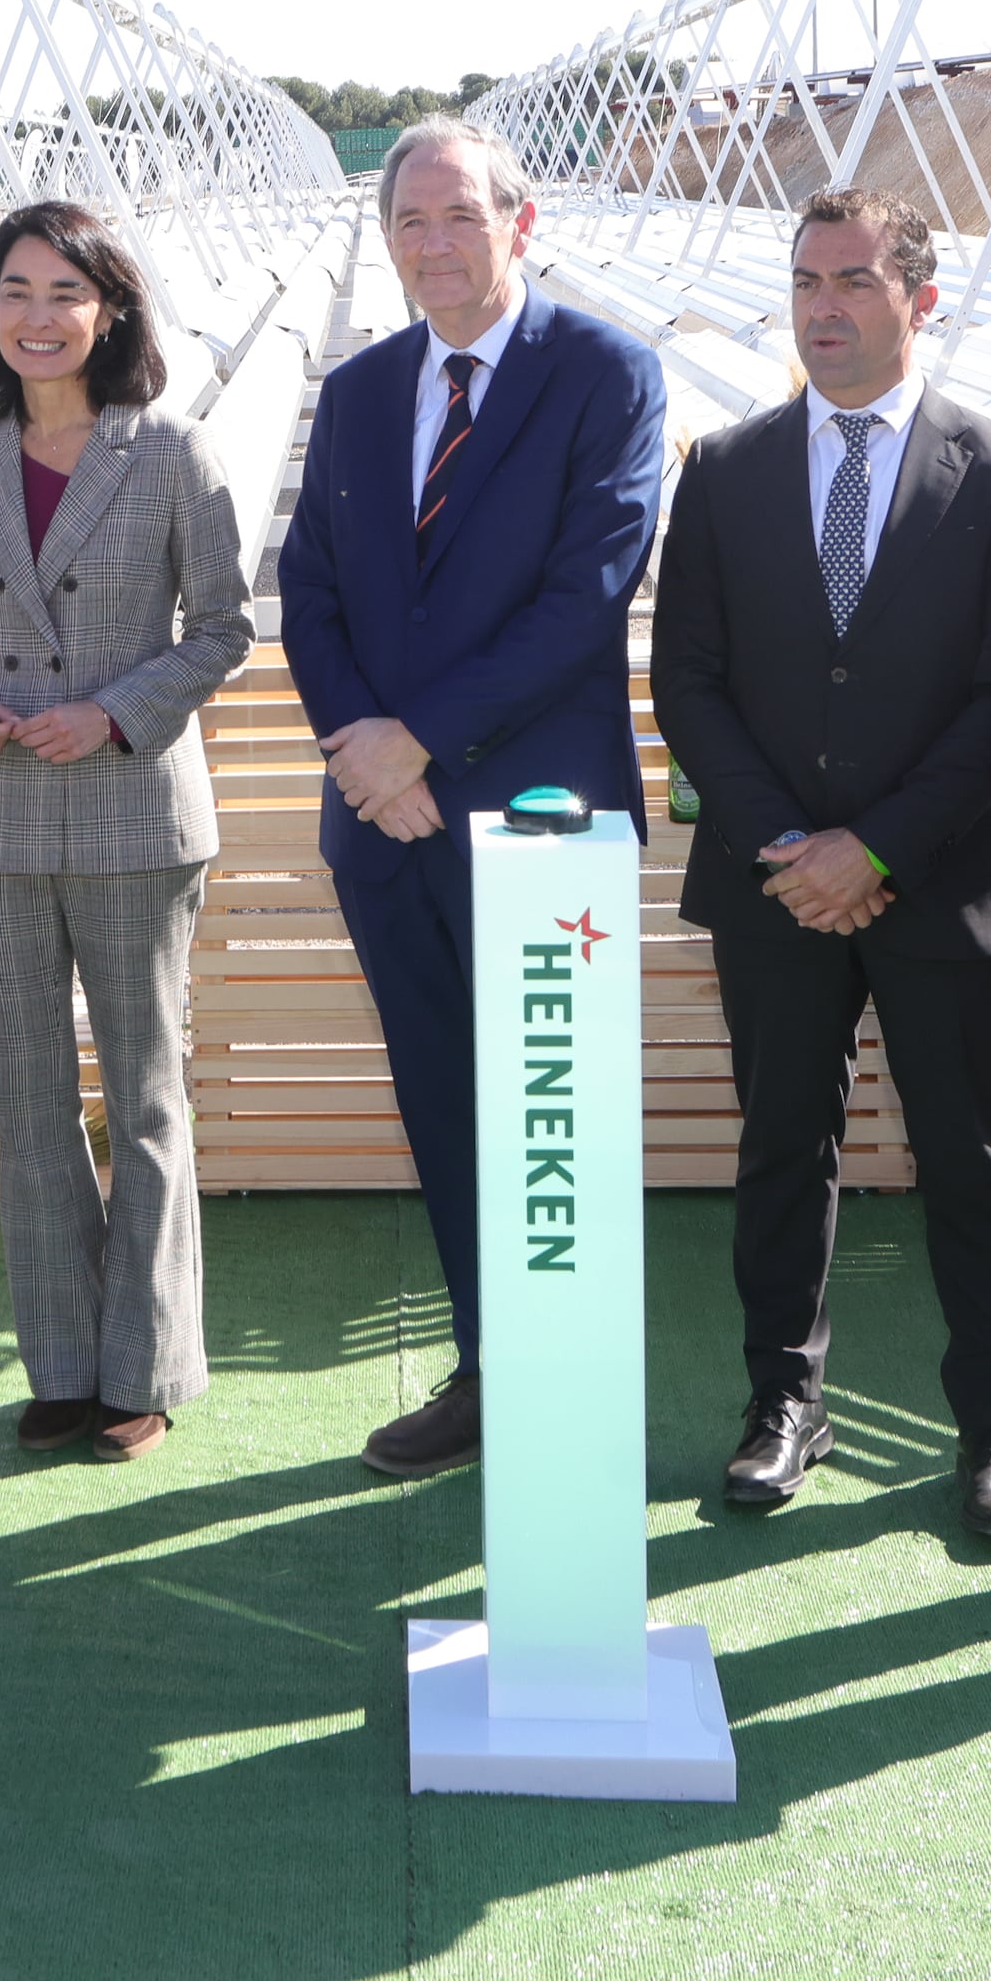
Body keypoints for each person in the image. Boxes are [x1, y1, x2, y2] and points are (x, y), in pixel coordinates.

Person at [646, 188, 991, 1543]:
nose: (824, 306)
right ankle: (783, 1403)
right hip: (771, 886)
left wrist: (872, 846)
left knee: (972, 1159)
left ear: (919, 298)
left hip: (941, 879)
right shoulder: (727, 466)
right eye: (807, 280)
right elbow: (687, 679)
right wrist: (792, 844)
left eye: (856, 280)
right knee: (781, 1148)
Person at [279, 119, 671, 1477]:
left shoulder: (608, 374)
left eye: (459, 216)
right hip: (386, 828)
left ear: (524, 220)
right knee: (446, 1104)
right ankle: (490, 1367)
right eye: (409, 222)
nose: (434, 244)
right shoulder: (362, 387)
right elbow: (311, 587)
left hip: (535, 817)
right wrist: (358, 747)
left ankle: (568, 1396)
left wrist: (417, 745)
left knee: (553, 1123)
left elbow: (586, 594)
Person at [0, 202, 256, 1459]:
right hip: (0, 815)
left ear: (109, 308)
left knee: (145, 1093)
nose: (36, 316)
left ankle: (144, 1365)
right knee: (25, 1098)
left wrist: (111, 715)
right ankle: (59, 1360)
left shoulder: (169, 449)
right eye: (13, 291)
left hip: (132, 811)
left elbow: (222, 627)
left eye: (63, 291)